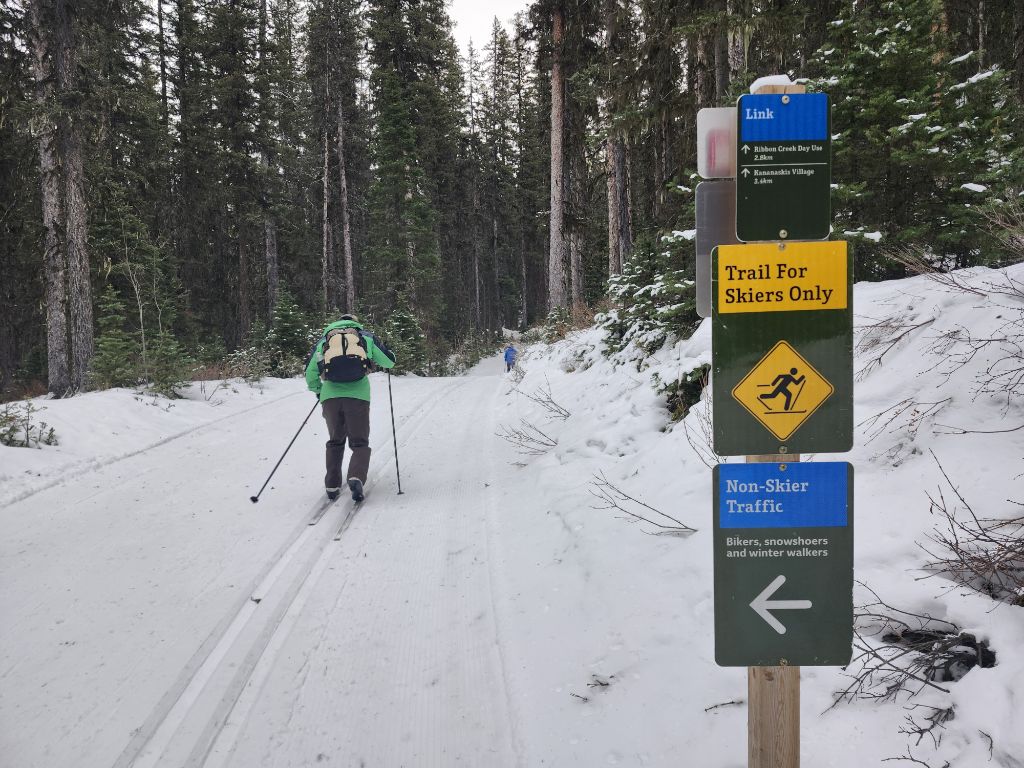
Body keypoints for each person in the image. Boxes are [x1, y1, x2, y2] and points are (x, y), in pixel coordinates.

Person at [305, 314, 396, 502]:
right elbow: (389, 362)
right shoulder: (365, 337)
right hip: (358, 396)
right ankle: (356, 476)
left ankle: (332, 484)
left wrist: (318, 391)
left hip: (330, 398)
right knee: (360, 442)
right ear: (355, 322)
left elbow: (310, 372)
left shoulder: (324, 340)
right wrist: (389, 351)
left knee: (335, 441)